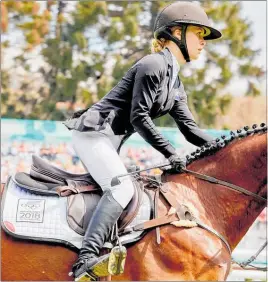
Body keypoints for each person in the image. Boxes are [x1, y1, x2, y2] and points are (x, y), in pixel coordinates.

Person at [63, 1, 222, 280]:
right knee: (122, 190)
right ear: (175, 33)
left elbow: (190, 129)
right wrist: (170, 153)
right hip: (93, 134)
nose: (203, 42)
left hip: (109, 140)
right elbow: (139, 117)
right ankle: (85, 260)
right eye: (199, 33)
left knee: (130, 191)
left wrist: (226, 147)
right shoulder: (153, 64)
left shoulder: (175, 82)